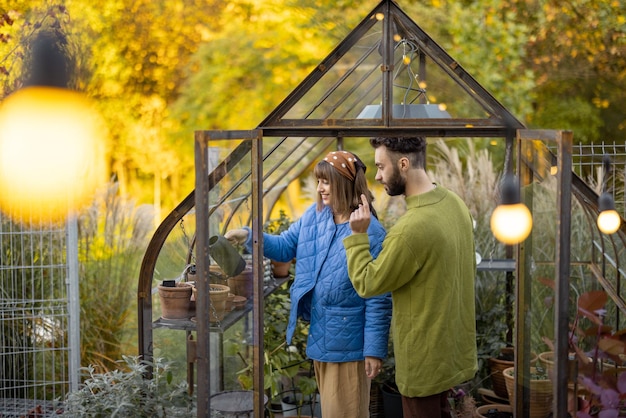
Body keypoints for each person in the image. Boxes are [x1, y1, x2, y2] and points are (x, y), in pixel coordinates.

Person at [225, 150, 392, 418]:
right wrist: (248, 236)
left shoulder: (370, 231)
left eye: (326, 181)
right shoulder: (315, 216)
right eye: (318, 181)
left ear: (345, 182)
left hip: (349, 346)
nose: (320, 188)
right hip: (321, 336)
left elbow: (378, 297)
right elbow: (284, 247)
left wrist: (374, 351)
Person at [343, 137, 477, 418]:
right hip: (451, 354)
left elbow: (368, 283)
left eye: (380, 166)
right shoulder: (454, 204)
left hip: (423, 364)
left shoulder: (411, 229)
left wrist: (357, 236)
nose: (377, 175)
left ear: (403, 164)